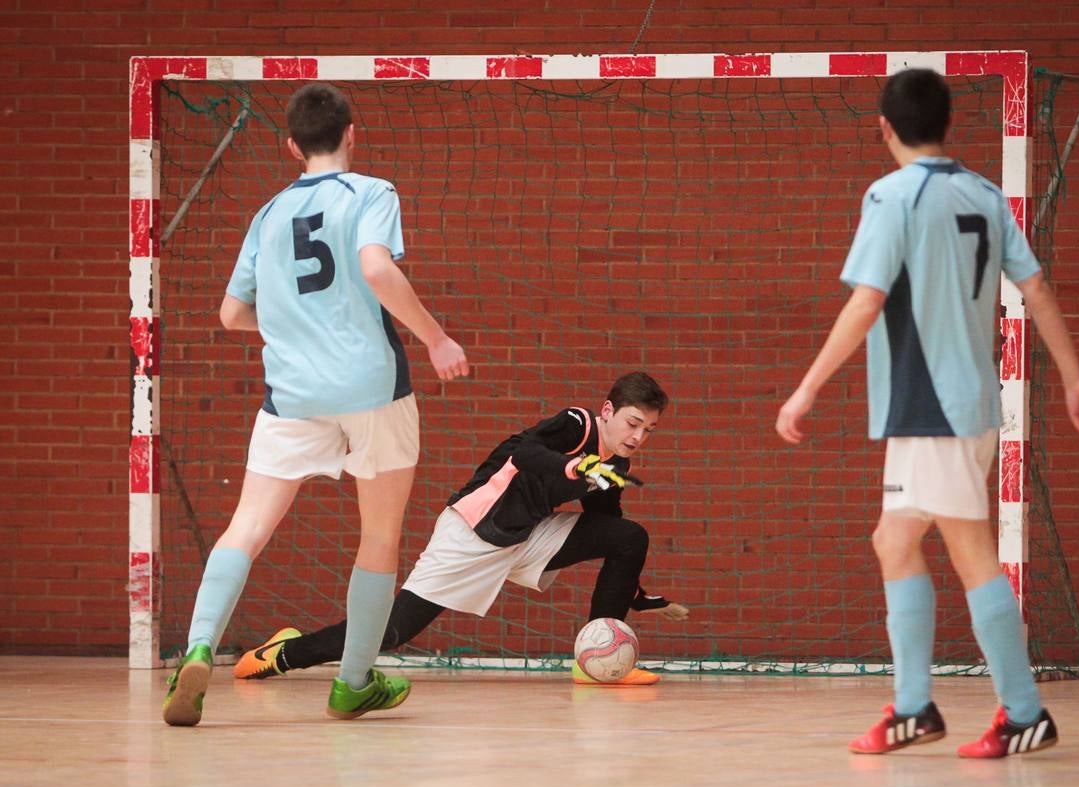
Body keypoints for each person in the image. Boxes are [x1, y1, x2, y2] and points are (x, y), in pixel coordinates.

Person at [775, 69, 1079, 758]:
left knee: (969, 552)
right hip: (959, 404)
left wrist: (806, 388)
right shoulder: (985, 192)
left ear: (883, 127)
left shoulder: (891, 195)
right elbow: (1036, 287)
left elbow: (865, 302)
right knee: (893, 541)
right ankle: (916, 706)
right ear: (948, 124)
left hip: (936, 406)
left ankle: (1022, 712)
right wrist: (1073, 377)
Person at [162, 83, 470, 727]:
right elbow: (378, 269)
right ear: (351, 133)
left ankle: (197, 647)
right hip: (371, 388)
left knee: (247, 526)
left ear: (291, 147)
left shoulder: (267, 214)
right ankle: (353, 682)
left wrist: (296, 325)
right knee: (379, 537)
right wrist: (437, 337)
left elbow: (231, 314)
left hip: (292, 395)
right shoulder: (371, 192)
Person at [232, 371, 688, 687]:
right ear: (608, 411)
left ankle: (596, 660)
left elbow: (607, 526)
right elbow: (525, 453)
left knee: (630, 538)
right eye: (633, 423)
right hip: (473, 532)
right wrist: (575, 467)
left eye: (649, 430)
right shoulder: (576, 424)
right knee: (391, 633)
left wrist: (635, 593)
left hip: (528, 535)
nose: (637, 437)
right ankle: (282, 653)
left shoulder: (616, 464)